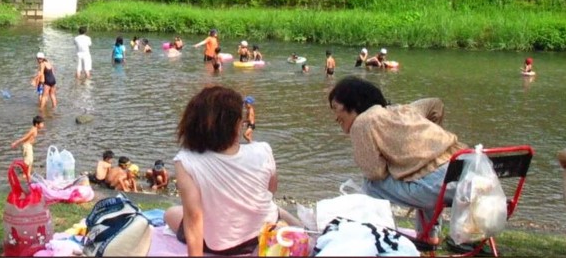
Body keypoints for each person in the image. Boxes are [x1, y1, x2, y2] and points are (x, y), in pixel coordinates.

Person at [165, 86, 299, 256]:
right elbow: (271, 189)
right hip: (263, 234)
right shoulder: (263, 150)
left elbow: (194, 218)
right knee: (270, 207)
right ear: (236, 124)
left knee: (170, 213)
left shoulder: (186, 161)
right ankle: (288, 217)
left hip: (222, 245)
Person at [327, 76, 466, 233]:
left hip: (439, 187)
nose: (335, 117)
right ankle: (427, 236)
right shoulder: (403, 110)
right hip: (469, 174)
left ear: (354, 104)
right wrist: (429, 143)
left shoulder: (362, 122)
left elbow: (375, 173)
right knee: (417, 174)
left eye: (335, 107)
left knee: (371, 184)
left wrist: (394, 165)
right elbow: (435, 104)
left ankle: (376, 234)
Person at [10, 115, 45, 181]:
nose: (43, 125)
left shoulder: (35, 129)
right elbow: (25, 138)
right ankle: (24, 174)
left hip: (29, 146)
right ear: (37, 124)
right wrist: (16, 143)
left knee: (30, 160)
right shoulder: (33, 130)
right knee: (27, 161)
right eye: (42, 123)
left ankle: (28, 174)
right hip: (27, 146)